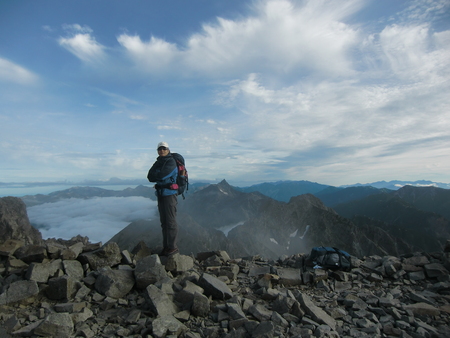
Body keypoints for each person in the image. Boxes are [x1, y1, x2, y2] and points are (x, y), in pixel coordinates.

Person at [147, 141, 179, 256]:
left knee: (170, 221)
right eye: (159, 149)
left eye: (164, 148)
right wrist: (157, 173)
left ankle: (172, 247)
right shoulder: (158, 162)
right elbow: (150, 177)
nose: (162, 151)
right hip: (161, 194)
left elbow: (161, 175)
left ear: (168, 149)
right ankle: (166, 247)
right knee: (164, 222)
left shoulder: (171, 162)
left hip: (170, 194)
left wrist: (157, 173)